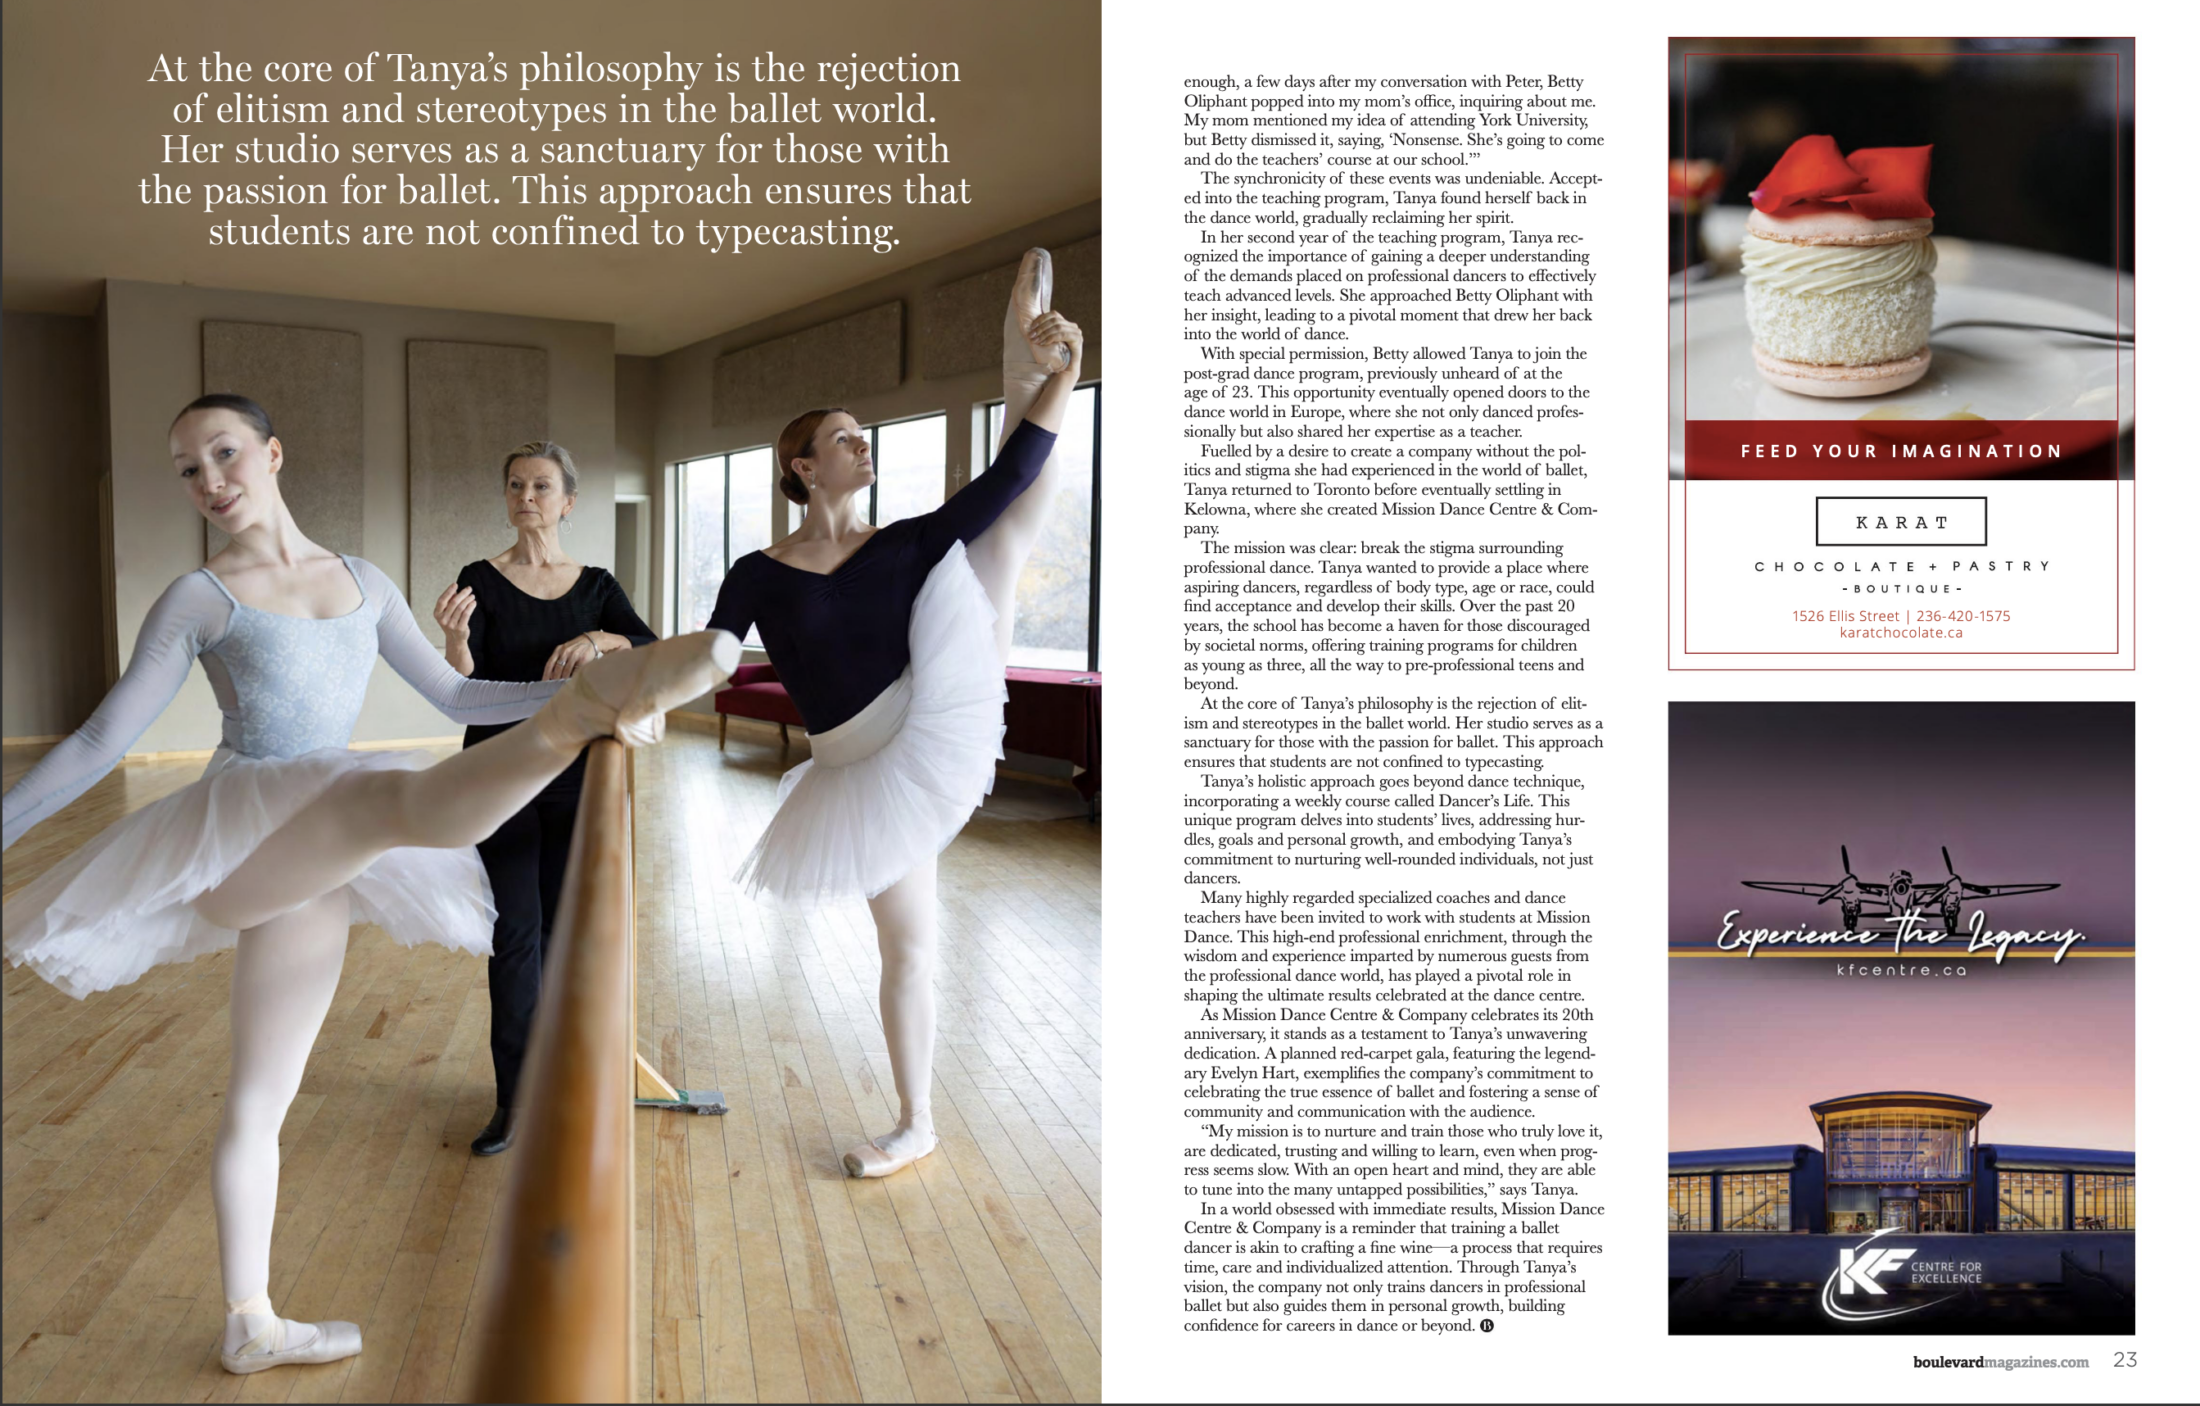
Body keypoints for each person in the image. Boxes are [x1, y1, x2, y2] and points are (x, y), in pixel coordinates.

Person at [1, 394, 738, 1374]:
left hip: (319, 855)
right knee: (380, 796)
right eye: (187, 468)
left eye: (223, 454)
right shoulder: (199, 596)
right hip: (246, 833)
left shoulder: (361, 579)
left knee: (264, 1094)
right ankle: (587, 714)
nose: (209, 480)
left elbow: (458, 695)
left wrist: (551, 687)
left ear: (270, 451)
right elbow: (103, 738)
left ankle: (248, 1319)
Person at [708, 251, 1083, 1179]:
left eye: (864, 433)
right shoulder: (758, 571)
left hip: (920, 735)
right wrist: (626, 682)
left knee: (1004, 539)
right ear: (803, 465)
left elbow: (1013, 471)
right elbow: (715, 653)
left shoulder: (907, 541)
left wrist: (1068, 374)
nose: (862, 444)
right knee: (906, 943)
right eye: (844, 437)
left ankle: (916, 1121)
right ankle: (918, 1122)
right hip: (851, 769)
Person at [433, 440, 656, 1156]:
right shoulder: (479, 578)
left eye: (541, 485)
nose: (526, 496)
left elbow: (646, 646)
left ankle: (567, 1084)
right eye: (515, 485)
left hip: (576, 776)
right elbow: (465, 686)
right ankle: (513, 1101)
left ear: (568, 501)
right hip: (499, 776)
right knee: (516, 934)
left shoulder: (595, 585)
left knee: (561, 935)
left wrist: (598, 637)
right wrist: (455, 640)